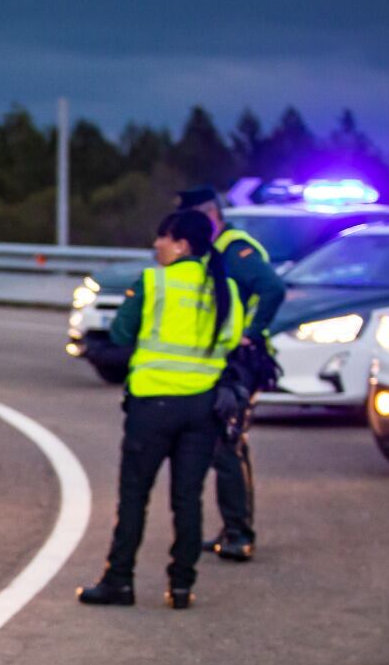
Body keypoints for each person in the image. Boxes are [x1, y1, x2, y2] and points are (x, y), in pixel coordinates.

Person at [78, 210, 245, 610]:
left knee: (134, 497)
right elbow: (233, 341)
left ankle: (120, 581)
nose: (157, 245)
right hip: (202, 408)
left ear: (182, 244)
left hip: (152, 407)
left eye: (163, 238)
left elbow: (120, 333)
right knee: (187, 499)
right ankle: (182, 585)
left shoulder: (154, 282)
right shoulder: (225, 291)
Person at [175, 185, 285, 562]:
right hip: (223, 361)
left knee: (228, 443)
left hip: (241, 364)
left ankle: (240, 533)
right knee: (226, 444)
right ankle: (232, 527)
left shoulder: (235, 249)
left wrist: (250, 336)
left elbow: (272, 289)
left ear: (209, 215)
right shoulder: (213, 252)